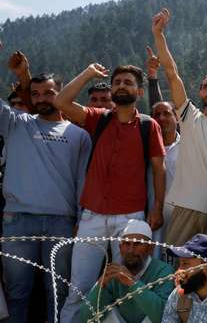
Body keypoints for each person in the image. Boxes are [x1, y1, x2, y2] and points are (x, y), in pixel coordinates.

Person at [56, 63, 166, 323]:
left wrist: (157, 208)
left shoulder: (148, 126)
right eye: (117, 82)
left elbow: (159, 170)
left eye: (128, 83)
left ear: (139, 91)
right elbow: (61, 101)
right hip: (92, 217)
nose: (121, 86)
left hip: (130, 219)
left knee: (127, 285)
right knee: (79, 289)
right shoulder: (99, 118)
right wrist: (88, 73)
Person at [1, 53, 92, 323]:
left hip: (62, 224)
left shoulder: (79, 135)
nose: (41, 98)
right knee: (17, 293)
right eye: (36, 94)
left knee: (59, 293)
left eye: (48, 93)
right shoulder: (16, 123)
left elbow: (82, 182)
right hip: (18, 221)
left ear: (61, 93)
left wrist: (80, 220)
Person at [151, 8, 207, 246]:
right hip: (184, 209)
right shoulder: (189, 116)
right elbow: (172, 73)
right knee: (177, 273)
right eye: (205, 86)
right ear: (200, 92)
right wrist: (159, 34)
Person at [78, 219, 175, 323]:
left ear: (150, 248)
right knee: (107, 312)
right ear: (120, 248)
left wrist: (132, 283)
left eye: (137, 244)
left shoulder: (164, 271)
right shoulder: (114, 273)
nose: (131, 250)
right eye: (127, 244)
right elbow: (86, 319)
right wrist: (100, 286)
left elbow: (163, 317)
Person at [151, 101, 180, 250]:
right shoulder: (145, 147)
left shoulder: (188, 147)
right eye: (157, 115)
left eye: (167, 113)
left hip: (179, 215)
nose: (161, 118)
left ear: (177, 117)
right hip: (152, 213)